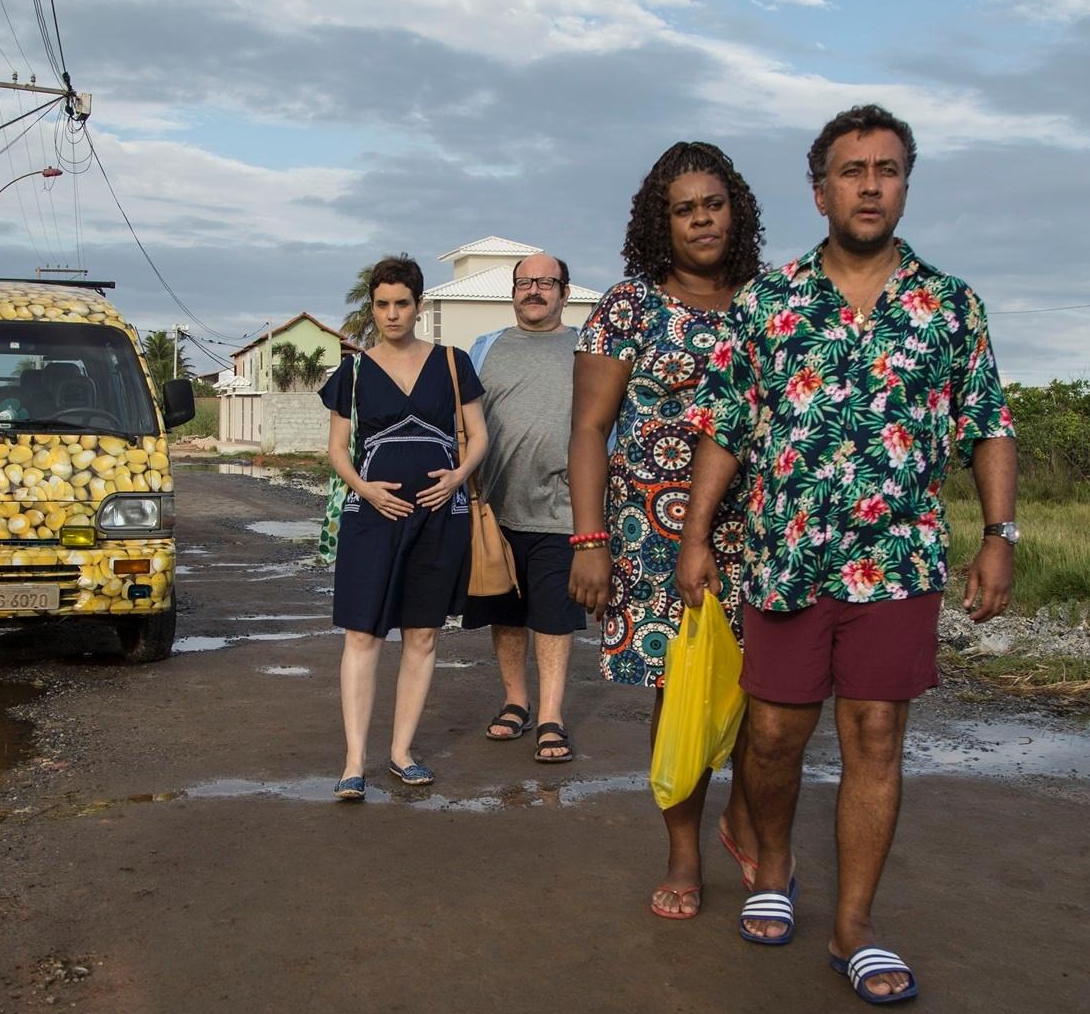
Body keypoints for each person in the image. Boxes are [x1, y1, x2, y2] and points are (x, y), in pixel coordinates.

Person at [677, 105, 1017, 1005]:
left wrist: (998, 537)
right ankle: (773, 861)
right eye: (854, 170)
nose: (871, 185)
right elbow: (727, 427)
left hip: (897, 562)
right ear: (820, 187)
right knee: (776, 734)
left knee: (875, 735)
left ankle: (855, 925)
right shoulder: (771, 302)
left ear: (907, 182)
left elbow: (988, 426)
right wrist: (696, 536)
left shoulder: (950, 305)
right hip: (785, 559)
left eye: (889, 169)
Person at [568, 141, 766, 919]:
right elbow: (589, 428)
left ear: (735, 208)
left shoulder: (768, 302)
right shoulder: (628, 306)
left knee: (765, 693)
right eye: (683, 209)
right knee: (681, 690)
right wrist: (589, 541)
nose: (701, 220)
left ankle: (746, 816)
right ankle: (684, 851)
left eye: (712, 204)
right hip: (653, 530)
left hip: (759, 528)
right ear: (662, 222)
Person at [320, 255, 488, 799]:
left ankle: (401, 752)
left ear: (418, 306)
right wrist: (364, 489)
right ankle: (353, 763)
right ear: (373, 309)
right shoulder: (352, 371)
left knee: (422, 634)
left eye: (402, 304)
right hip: (371, 520)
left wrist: (458, 476)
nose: (392, 314)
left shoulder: (454, 363)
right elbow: (336, 450)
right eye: (382, 305)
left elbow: (480, 436)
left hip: (441, 518)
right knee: (363, 634)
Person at [461, 253, 587, 762]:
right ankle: (516, 701)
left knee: (554, 615)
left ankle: (551, 715)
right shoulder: (484, 349)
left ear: (564, 289)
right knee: (506, 611)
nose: (534, 290)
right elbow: (461, 421)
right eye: (524, 282)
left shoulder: (588, 346)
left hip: (564, 506)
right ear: (513, 290)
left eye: (545, 282)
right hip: (496, 507)